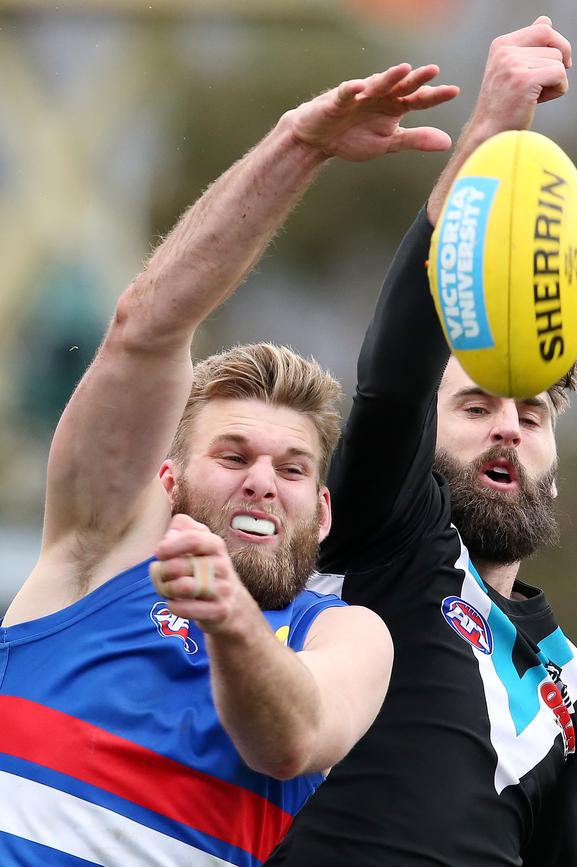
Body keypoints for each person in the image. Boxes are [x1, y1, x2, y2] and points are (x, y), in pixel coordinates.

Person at [0, 65, 461, 866]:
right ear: (168, 482)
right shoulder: (92, 552)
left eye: (290, 469)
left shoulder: (348, 636)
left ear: (321, 513)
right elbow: (146, 325)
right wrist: (300, 142)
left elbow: (292, 739)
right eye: (232, 453)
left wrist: (231, 620)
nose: (260, 480)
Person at [267, 16, 577, 867]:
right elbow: (392, 379)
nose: (506, 424)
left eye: (531, 417)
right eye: (476, 406)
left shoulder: (571, 685)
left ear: (554, 469)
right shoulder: (386, 540)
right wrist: (490, 134)